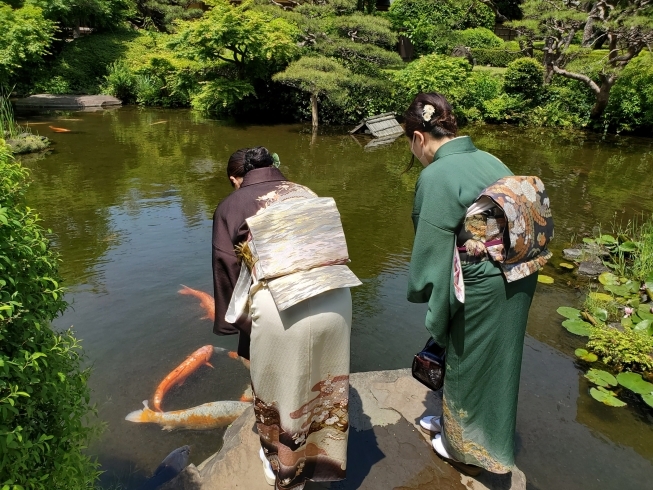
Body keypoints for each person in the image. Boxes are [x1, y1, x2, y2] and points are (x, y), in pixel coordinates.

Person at [405, 93, 551, 475]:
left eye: (410, 144)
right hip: (519, 269)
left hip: (480, 280)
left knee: (465, 358)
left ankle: (461, 445)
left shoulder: (435, 175)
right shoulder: (489, 159)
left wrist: (431, 305)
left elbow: (431, 253)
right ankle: (482, 436)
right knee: (498, 362)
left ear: (419, 137)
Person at [212, 146, 359, 489]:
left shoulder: (232, 205)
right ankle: (321, 460)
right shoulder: (305, 191)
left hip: (279, 302)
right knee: (325, 389)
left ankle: (285, 471)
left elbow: (227, 271)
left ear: (237, 179)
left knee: (277, 393)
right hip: (336, 294)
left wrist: (237, 328)